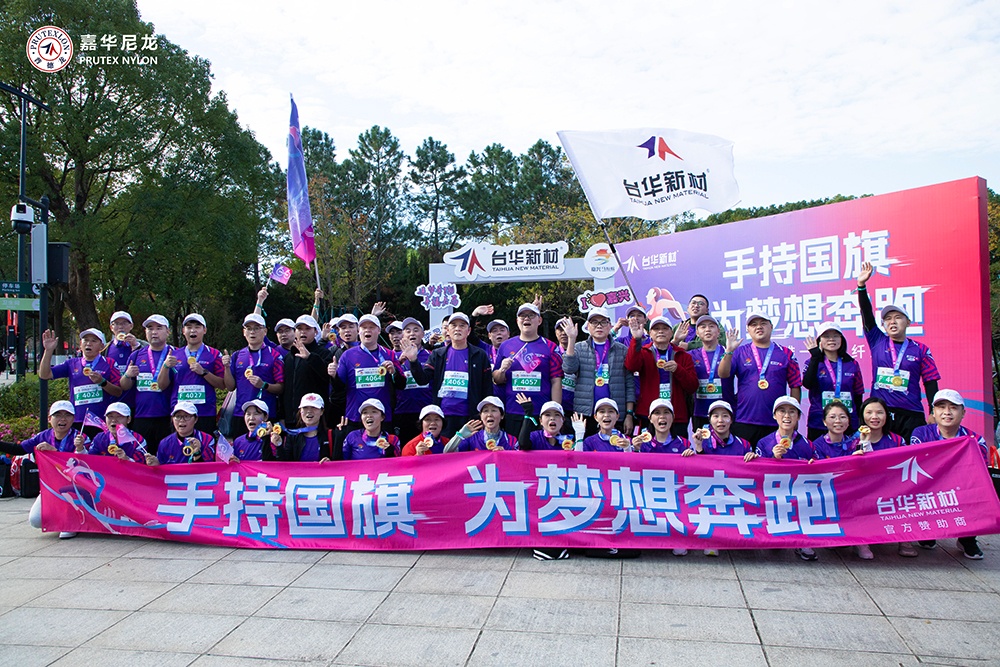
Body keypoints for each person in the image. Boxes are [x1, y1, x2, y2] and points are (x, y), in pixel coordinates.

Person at [856, 261, 940, 441]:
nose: (892, 322)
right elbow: (867, 314)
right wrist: (861, 286)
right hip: (881, 413)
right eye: (887, 319)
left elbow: (931, 382)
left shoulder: (921, 349)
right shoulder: (877, 340)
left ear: (908, 322)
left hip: (911, 413)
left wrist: (933, 411)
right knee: (878, 454)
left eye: (897, 318)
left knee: (912, 455)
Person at [910, 389, 989, 559]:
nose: (947, 412)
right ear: (933, 412)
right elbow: (920, 466)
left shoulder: (975, 440)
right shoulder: (921, 433)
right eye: (941, 407)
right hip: (930, 487)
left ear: (963, 413)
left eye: (953, 407)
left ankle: (968, 538)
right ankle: (928, 531)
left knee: (980, 489)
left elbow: (978, 471)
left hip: (961, 487)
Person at [0, 401, 90, 538]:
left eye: (67, 415)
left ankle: (72, 522)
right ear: (49, 419)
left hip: (76, 487)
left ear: (73, 419)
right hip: (51, 486)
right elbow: (19, 449)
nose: (63, 419)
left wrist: (58, 452)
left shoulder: (81, 437)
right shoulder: (43, 436)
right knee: (36, 520)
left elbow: (85, 465)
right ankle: (65, 521)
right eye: (57, 415)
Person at [719, 311, 801, 444]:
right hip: (744, 419)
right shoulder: (739, 352)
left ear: (771, 327)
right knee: (745, 457)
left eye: (763, 323)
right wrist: (729, 351)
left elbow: (795, 385)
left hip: (777, 421)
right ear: (748, 329)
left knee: (776, 456)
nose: (759, 327)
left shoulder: (786, 353)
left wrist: (794, 416)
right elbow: (723, 374)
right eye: (754, 324)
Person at [409, 312, 493, 438]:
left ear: (469, 331)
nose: (458, 329)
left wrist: (483, 414)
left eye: (462, 326)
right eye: (453, 325)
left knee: (468, 450)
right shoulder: (438, 354)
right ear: (447, 330)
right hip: (444, 417)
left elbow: (487, 387)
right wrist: (413, 361)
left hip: (470, 417)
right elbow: (422, 379)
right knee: (446, 449)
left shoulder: (479, 355)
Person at [808, 401, 872, 560]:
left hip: (852, 490)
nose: (838, 421)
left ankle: (861, 541)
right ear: (824, 421)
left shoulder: (855, 442)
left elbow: (870, 465)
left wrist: (865, 442)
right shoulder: (816, 445)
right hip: (828, 490)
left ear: (849, 421)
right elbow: (819, 471)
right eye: (832, 417)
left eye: (843, 417)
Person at [561, 308, 635, 436]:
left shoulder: (622, 350)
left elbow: (629, 384)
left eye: (603, 322)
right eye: (594, 322)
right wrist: (571, 339)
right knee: (585, 447)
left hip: (614, 414)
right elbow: (568, 368)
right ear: (588, 326)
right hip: (585, 413)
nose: (599, 326)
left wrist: (629, 414)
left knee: (614, 447)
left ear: (610, 325)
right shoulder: (578, 348)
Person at [493, 303, 563, 437]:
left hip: (541, 413)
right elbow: (496, 379)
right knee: (513, 449)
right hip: (513, 411)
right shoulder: (506, 346)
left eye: (531, 315)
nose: (526, 318)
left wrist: (555, 412)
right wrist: (502, 370)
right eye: (523, 316)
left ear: (539, 320)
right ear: (517, 321)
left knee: (540, 449)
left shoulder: (550, 346)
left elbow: (556, 381)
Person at [624, 315, 697, 438]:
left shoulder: (683, 356)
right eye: (656, 329)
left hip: (676, 415)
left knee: (678, 448)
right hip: (649, 414)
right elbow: (631, 366)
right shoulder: (644, 352)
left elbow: (692, 386)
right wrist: (636, 339)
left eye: (664, 328)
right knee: (647, 448)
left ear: (671, 333)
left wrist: (678, 370)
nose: (660, 331)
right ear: (650, 334)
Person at [39, 328, 122, 432]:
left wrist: (102, 382)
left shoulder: (110, 363)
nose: (89, 343)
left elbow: (118, 392)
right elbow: (44, 375)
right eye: (85, 340)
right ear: (80, 344)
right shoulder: (71, 363)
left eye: (93, 341)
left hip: (101, 421)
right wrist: (48, 350)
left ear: (101, 346)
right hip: (77, 420)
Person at [334, 314, 406, 433]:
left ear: (378, 331)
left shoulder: (389, 354)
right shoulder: (347, 355)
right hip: (355, 417)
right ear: (359, 331)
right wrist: (333, 376)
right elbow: (338, 390)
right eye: (364, 327)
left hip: (383, 417)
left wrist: (394, 372)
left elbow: (402, 385)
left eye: (372, 327)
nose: (367, 330)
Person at [156, 314, 226, 434]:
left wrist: (204, 372)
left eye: (197, 327)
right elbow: (161, 386)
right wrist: (165, 366)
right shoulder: (174, 354)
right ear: (183, 331)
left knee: (204, 445)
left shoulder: (214, 354)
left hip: (205, 413)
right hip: (180, 414)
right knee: (179, 445)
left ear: (204, 330)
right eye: (189, 327)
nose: (193, 330)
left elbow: (222, 385)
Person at [223, 314, 285, 439]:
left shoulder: (275, 356)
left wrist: (264, 385)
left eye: (257, 328)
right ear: (244, 332)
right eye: (249, 328)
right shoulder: (237, 355)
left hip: (266, 414)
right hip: (242, 414)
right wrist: (227, 367)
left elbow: (281, 388)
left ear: (265, 331)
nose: (252, 332)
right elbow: (230, 387)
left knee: (266, 449)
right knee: (241, 448)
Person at [119, 315, 174, 454]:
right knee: (142, 457)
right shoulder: (136, 355)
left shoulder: (175, 354)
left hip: (167, 417)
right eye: (150, 328)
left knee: (166, 457)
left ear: (168, 331)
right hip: (142, 416)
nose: (154, 332)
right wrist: (127, 375)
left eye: (159, 328)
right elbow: (124, 386)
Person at [802, 323, 864, 440]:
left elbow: (858, 394)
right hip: (819, 421)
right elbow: (807, 384)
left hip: (847, 422)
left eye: (835, 336)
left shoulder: (852, 364)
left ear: (841, 339)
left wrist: (860, 421)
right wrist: (815, 357)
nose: (831, 339)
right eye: (826, 336)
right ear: (820, 340)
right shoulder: (813, 362)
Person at [282, 315, 334, 428]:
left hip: (315, 419)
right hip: (291, 419)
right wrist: (282, 415)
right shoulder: (288, 357)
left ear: (316, 332)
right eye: (299, 329)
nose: (303, 332)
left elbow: (328, 377)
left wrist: (310, 357)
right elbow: (285, 388)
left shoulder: (324, 353)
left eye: (307, 328)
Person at [689, 317, 736, 430]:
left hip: (725, 412)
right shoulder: (690, 355)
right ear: (697, 333)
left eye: (711, 326)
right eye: (703, 327)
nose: (707, 330)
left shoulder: (729, 353)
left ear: (718, 331)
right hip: (700, 412)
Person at [394, 317, 434, 445]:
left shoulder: (432, 355)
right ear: (403, 335)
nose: (412, 333)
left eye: (416, 330)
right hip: (402, 412)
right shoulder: (394, 357)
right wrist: (397, 364)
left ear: (422, 334)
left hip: (426, 411)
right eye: (408, 330)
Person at [273, 393, 335, 462]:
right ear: (300, 411)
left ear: (322, 411)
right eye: (305, 407)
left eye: (314, 407)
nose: (309, 411)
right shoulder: (292, 436)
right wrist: (278, 445)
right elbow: (285, 464)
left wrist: (330, 463)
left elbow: (340, 462)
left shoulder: (331, 435)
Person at [151, 402, 216, 465]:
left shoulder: (207, 440)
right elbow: (161, 468)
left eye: (186, 416)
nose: (182, 420)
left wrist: (197, 454)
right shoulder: (164, 443)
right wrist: (155, 464)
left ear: (196, 419)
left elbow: (209, 468)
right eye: (178, 416)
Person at [444, 396, 517, 452]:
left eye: (494, 410)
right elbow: (447, 452)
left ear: (502, 415)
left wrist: (505, 454)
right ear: (481, 416)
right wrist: (460, 435)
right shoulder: (472, 437)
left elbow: (518, 462)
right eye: (485, 411)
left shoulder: (512, 440)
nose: (489, 414)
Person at [554, 318, 577, 420]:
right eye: (560, 329)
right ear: (555, 332)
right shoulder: (552, 352)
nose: (564, 333)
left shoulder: (581, 351)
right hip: (555, 405)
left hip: (575, 407)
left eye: (566, 329)